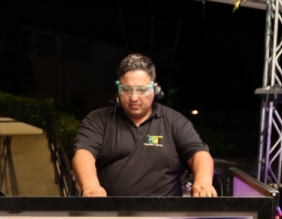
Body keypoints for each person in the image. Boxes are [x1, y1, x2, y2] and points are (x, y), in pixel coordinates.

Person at [72, 53, 217, 197]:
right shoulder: (97, 120)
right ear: (118, 89)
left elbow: (199, 153)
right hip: (110, 209)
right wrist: (91, 186)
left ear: (155, 89)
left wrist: (203, 182)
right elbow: (83, 154)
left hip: (166, 211)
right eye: (127, 89)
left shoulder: (175, 121)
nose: (134, 97)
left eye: (142, 90)